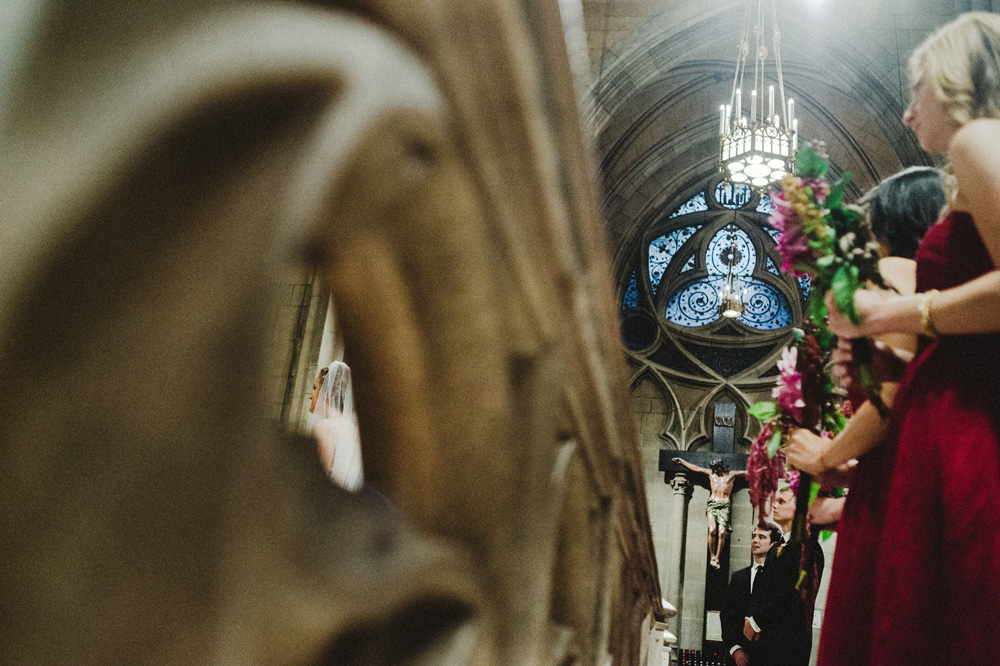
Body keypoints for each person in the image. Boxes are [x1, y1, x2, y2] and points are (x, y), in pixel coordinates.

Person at [791, 13, 1000, 666]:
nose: (907, 115)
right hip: (944, 419)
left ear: (955, 82)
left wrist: (885, 314)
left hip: (967, 418)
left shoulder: (978, 141)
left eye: (918, 90)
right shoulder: (966, 167)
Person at [742, 486, 825, 666]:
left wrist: (757, 621)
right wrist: (750, 617)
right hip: (764, 642)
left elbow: (795, 595)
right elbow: (761, 589)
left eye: (781, 502)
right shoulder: (775, 549)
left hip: (788, 644)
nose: (774, 506)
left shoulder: (808, 548)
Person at [721, 523, 781, 666]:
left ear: (773, 544)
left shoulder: (778, 577)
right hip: (738, 656)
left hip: (768, 657)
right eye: (753, 536)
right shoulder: (738, 577)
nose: (755, 540)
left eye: (761, 537)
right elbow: (727, 616)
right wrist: (735, 650)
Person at [672, 457, 746, 569]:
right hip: (712, 504)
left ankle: (717, 557)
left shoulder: (731, 475)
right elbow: (696, 468)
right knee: (712, 530)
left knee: (721, 533)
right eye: (713, 468)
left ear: (720, 466)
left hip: (724, 506)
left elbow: (747, 472)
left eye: (716, 468)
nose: (714, 470)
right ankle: (712, 556)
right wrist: (682, 462)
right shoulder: (711, 474)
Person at [308, 360, 364, 492]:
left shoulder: (324, 428)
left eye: (315, 388)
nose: (310, 396)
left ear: (327, 394)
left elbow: (317, 483)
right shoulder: (354, 431)